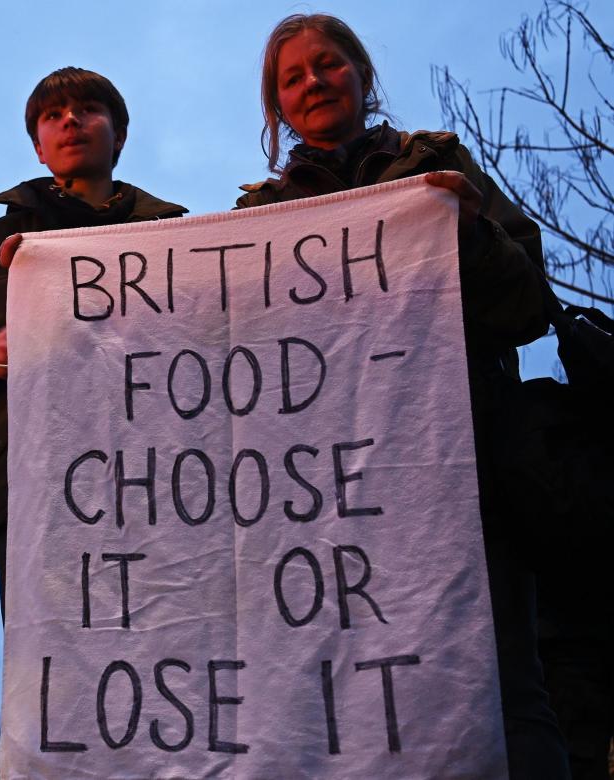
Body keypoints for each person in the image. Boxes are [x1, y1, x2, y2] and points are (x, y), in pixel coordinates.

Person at [235, 13, 566, 778]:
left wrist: (471, 230)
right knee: (349, 697)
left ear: (360, 75)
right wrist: (52, 278)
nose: (311, 82)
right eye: (292, 77)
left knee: (507, 685)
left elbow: (528, 308)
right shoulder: (257, 219)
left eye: (326, 65)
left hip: (466, 473)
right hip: (328, 504)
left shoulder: (440, 170)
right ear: (277, 107)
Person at [0, 66, 187, 614]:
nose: (71, 120)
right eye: (53, 116)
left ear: (119, 135)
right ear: (39, 149)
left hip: (155, 488)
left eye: (88, 109)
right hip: (33, 493)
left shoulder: (173, 237)